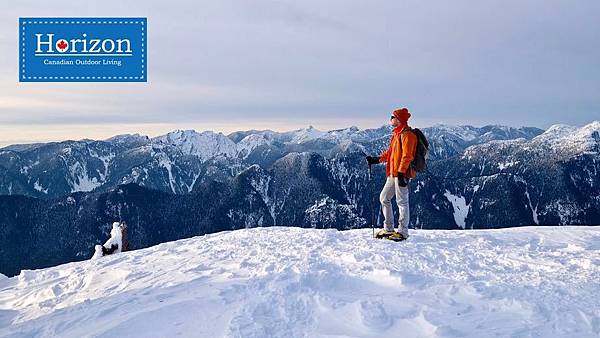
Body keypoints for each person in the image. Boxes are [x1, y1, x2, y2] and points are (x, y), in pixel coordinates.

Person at [366, 108, 417, 241]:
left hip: (401, 174)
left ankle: (402, 232)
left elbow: (407, 156)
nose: (391, 119)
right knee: (384, 198)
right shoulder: (396, 135)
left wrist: (401, 173)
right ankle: (388, 228)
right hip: (392, 174)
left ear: (399, 119)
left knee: (402, 203)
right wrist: (376, 160)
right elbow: (390, 153)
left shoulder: (408, 135)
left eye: (393, 117)